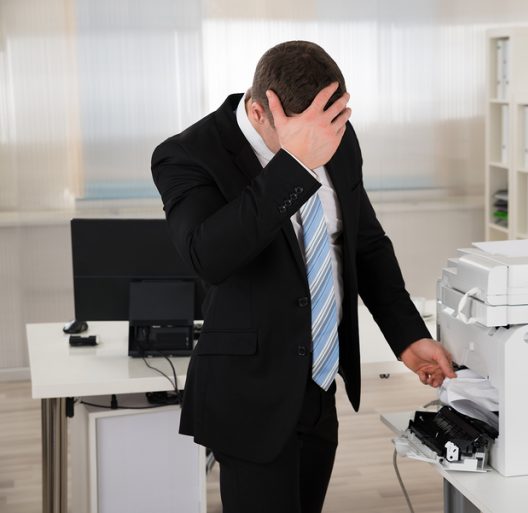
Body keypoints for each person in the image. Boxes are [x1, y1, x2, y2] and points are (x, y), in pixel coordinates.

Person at [151, 40, 455, 513]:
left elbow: (364, 243)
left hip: (319, 385)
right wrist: (293, 165)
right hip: (249, 392)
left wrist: (408, 336)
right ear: (258, 112)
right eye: (311, 134)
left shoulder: (335, 136)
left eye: (334, 124)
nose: (327, 142)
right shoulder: (187, 154)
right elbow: (208, 257)